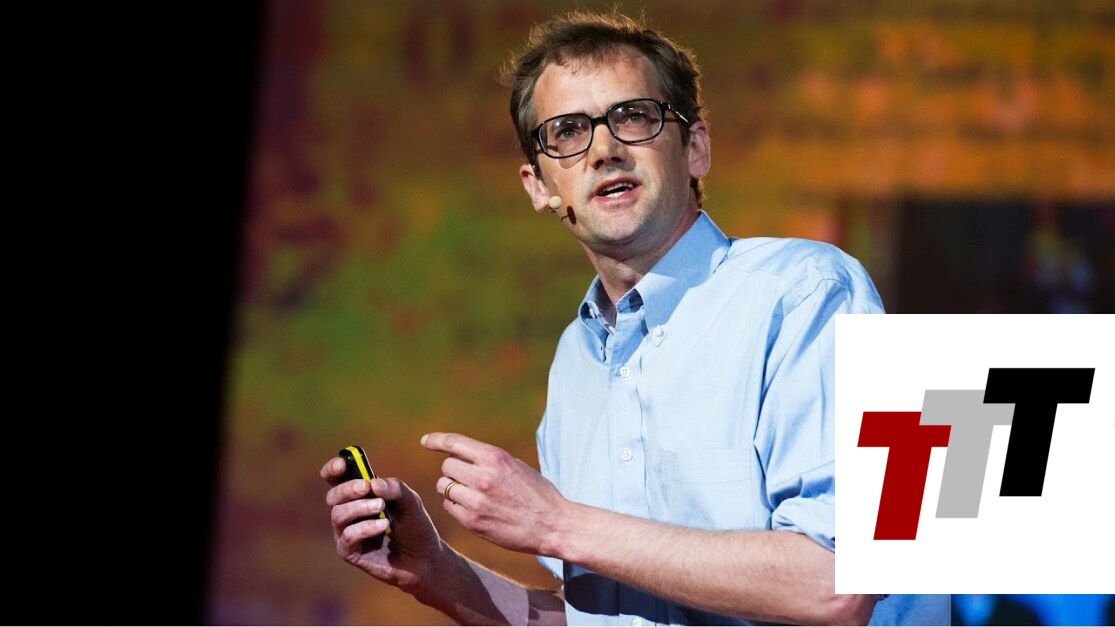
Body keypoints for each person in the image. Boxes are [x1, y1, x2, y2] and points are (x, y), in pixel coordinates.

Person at [322, 10, 949, 625]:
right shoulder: (576, 358)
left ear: (695, 148)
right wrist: (436, 574)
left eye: (633, 117)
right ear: (539, 186)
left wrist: (557, 523)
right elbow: (602, 615)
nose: (604, 150)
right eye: (568, 131)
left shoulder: (805, 293)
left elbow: (835, 585)